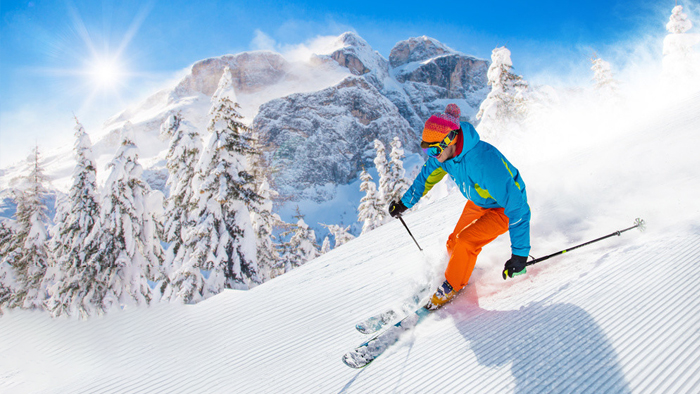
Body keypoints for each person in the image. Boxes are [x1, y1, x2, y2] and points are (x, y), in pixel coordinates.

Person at [389, 103, 531, 310]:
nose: (432, 154)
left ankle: (452, 285)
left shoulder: (484, 162)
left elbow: (517, 207)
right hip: (480, 201)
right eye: (427, 149)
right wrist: (404, 203)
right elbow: (425, 179)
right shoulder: (445, 157)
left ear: (450, 139)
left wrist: (519, 255)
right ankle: (455, 271)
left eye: (435, 149)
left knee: (466, 241)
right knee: (453, 242)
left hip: (504, 207)